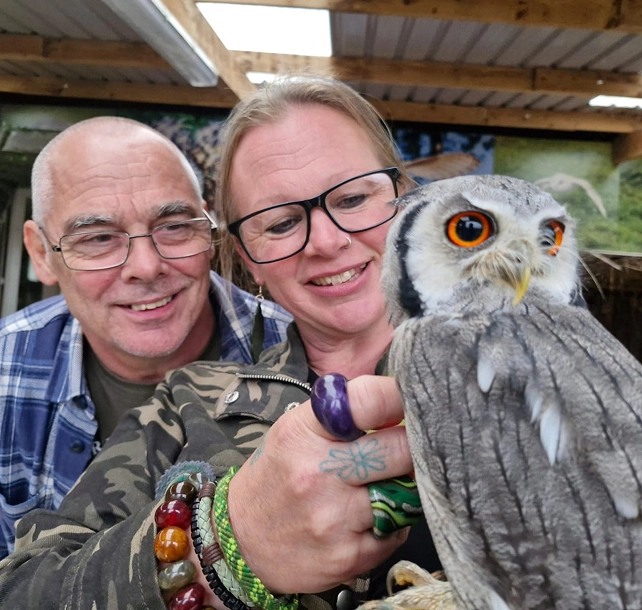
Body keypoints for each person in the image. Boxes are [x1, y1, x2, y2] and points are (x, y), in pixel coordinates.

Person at [0, 76, 440, 609]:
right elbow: (23, 589)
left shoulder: (531, 368)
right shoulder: (189, 402)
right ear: (245, 255)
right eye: (279, 224)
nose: (327, 241)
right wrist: (224, 545)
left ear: (405, 198)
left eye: (353, 198)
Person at [0, 116, 292, 558]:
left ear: (208, 231)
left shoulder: (301, 356)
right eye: (99, 238)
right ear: (42, 253)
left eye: (174, 227)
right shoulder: (7, 370)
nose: (146, 266)